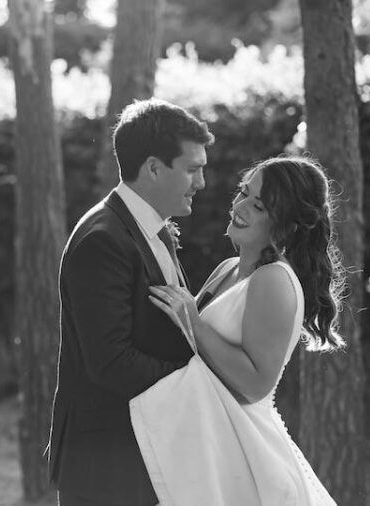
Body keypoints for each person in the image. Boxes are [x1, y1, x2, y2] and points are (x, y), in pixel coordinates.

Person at [135, 156, 343, 505]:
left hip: (245, 452)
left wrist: (194, 323)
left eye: (258, 206)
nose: (240, 206)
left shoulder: (273, 280)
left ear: (288, 226)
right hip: (211, 443)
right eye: (244, 192)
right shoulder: (228, 269)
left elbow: (255, 384)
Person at [47, 98, 215, 506]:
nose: (201, 183)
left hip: (142, 456)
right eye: (192, 169)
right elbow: (111, 361)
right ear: (154, 168)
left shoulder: (149, 228)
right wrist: (198, 383)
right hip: (107, 467)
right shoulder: (103, 240)